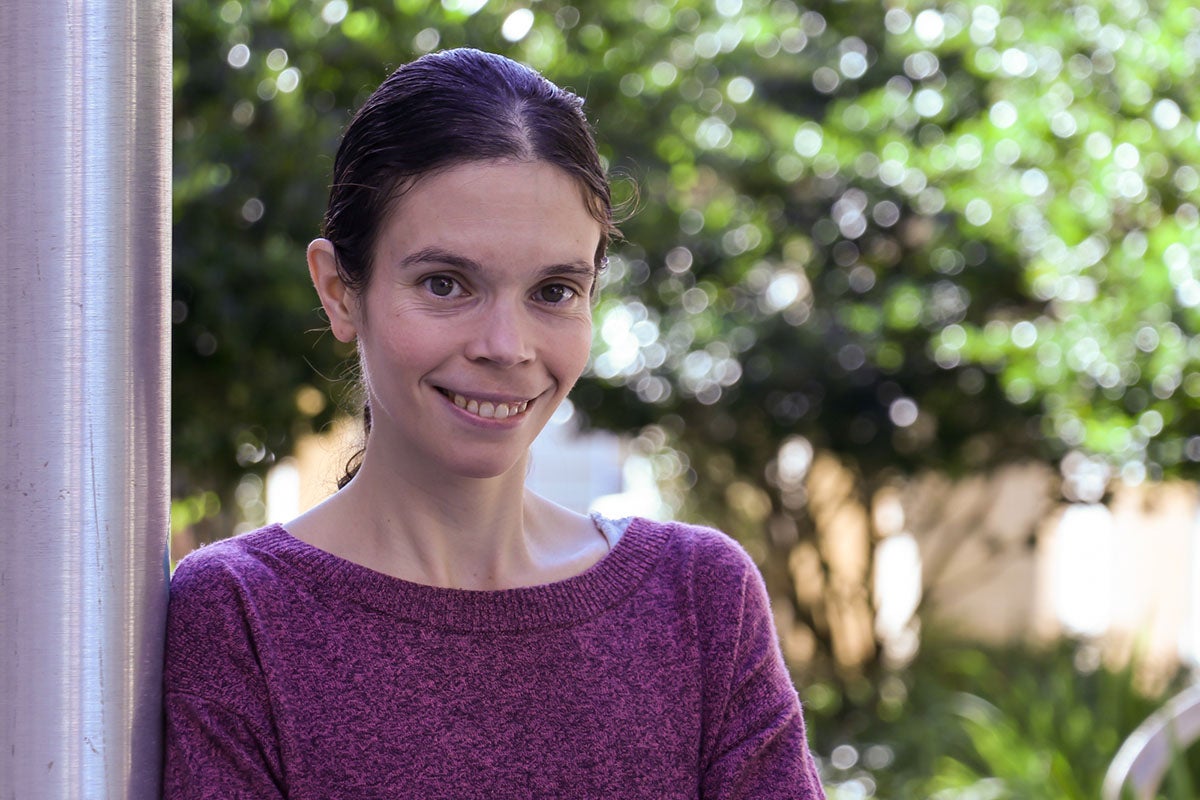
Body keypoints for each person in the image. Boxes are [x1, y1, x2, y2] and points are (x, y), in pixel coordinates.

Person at [163, 47, 826, 799]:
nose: (506, 348)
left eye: (553, 291)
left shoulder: (699, 600)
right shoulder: (240, 615)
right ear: (340, 290)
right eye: (446, 284)